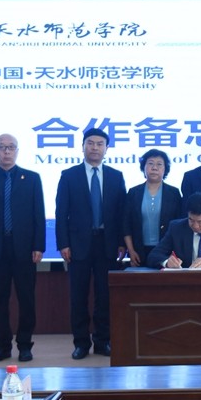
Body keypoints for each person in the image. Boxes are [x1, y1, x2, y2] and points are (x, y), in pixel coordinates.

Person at [0, 133, 46, 363]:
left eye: (11, 147)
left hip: (24, 249)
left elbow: (38, 215)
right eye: (2, 147)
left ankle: (25, 345)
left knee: (27, 299)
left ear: (17, 151)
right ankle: (2, 346)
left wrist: (39, 245)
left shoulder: (31, 178)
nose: (6, 151)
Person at [55, 128, 126, 359]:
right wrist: (63, 243)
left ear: (106, 148)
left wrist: (121, 242)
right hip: (78, 244)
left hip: (107, 243)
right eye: (90, 143)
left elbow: (121, 213)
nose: (95, 147)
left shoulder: (116, 176)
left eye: (100, 144)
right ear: (83, 146)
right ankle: (81, 343)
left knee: (105, 296)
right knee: (78, 296)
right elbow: (61, 212)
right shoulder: (69, 175)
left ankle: (103, 341)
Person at [121, 149, 182, 267]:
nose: (154, 168)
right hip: (138, 251)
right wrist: (131, 251)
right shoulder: (134, 192)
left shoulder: (174, 193)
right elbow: (126, 224)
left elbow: (179, 224)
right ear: (143, 167)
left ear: (165, 169)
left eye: (159, 164)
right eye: (150, 163)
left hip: (166, 251)